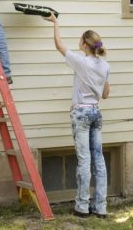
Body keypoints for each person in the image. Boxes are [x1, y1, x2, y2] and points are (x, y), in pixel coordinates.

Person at [43, 14, 110, 218]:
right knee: (98, 160)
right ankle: (100, 207)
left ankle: (82, 206)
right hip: (96, 113)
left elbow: (59, 45)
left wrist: (55, 22)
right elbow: (106, 94)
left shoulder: (81, 61)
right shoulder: (105, 66)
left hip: (81, 112)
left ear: (84, 44)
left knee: (84, 160)